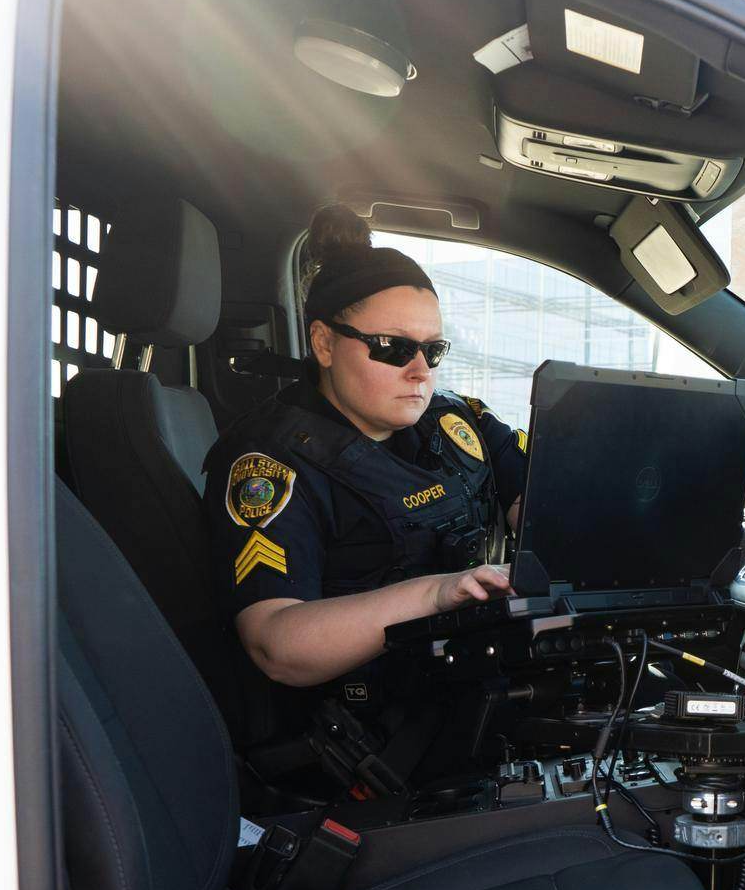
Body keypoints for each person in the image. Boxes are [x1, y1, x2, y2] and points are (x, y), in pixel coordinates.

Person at [203, 204, 527, 716]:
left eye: (432, 350)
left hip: (481, 700)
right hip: (370, 744)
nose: (420, 371)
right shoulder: (270, 463)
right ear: (324, 343)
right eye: (392, 348)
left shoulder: (460, 423)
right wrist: (438, 594)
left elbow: (550, 507)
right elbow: (275, 645)